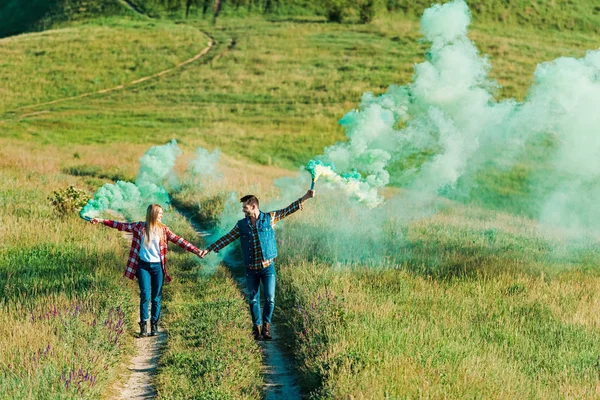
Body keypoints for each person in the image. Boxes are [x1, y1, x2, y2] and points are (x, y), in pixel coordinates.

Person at [198, 190, 315, 340]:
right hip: (251, 269)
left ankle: (266, 327)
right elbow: (227, 238)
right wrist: (209, 249)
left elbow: (288, 209)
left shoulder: (270, 218)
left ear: (253, 206)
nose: (243, 211)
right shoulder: (241, 225)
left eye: (245, 208)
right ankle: (256, 328)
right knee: (253, 299)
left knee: (270, 298)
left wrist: (306, 197)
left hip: (267, 268)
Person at [90, 204, 202, 337]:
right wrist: (102, 220)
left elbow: (180, 241)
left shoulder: (164, 230)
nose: (161, 216)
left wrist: (197, 251)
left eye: (161, 214)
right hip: (142, 266)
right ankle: (143, 326)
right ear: (153, 214)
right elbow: (120, 225)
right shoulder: (139, 227)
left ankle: (154, 325)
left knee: (156, 297)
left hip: (158, 267)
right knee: (145, 295)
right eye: (159, 213)